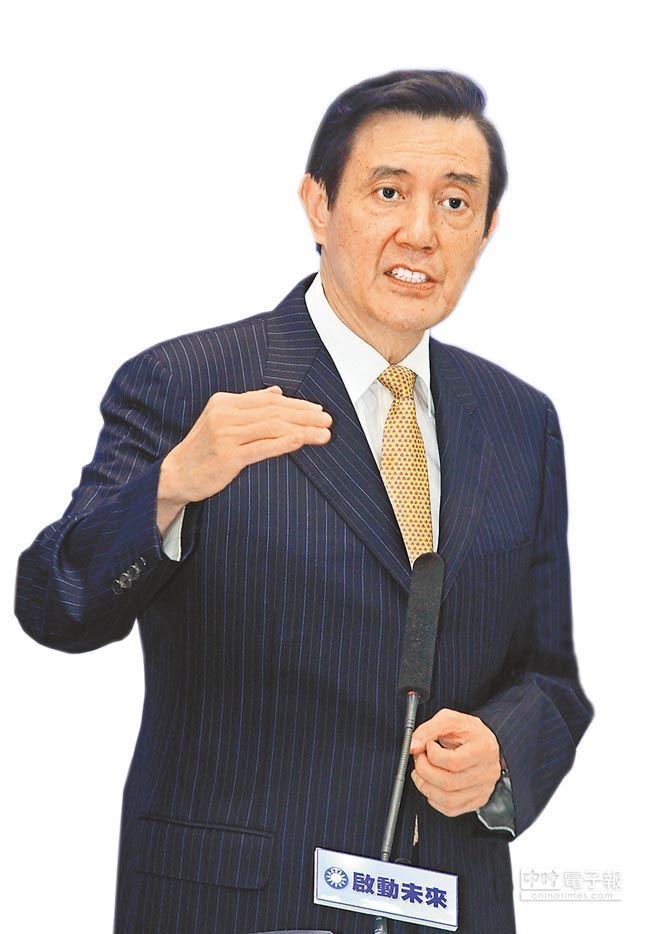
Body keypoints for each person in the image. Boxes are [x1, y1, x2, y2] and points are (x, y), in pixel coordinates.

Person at [15, 70, 592, 934]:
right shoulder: (189, 382)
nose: (421, 231)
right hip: (240, 903)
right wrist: (170, 486)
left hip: (447, 904)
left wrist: (503, 751)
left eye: (455, 203)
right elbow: (55, 604)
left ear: (487, 228)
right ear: (318, 204)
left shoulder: (521, 421)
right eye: (388, 192)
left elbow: (551, 677)